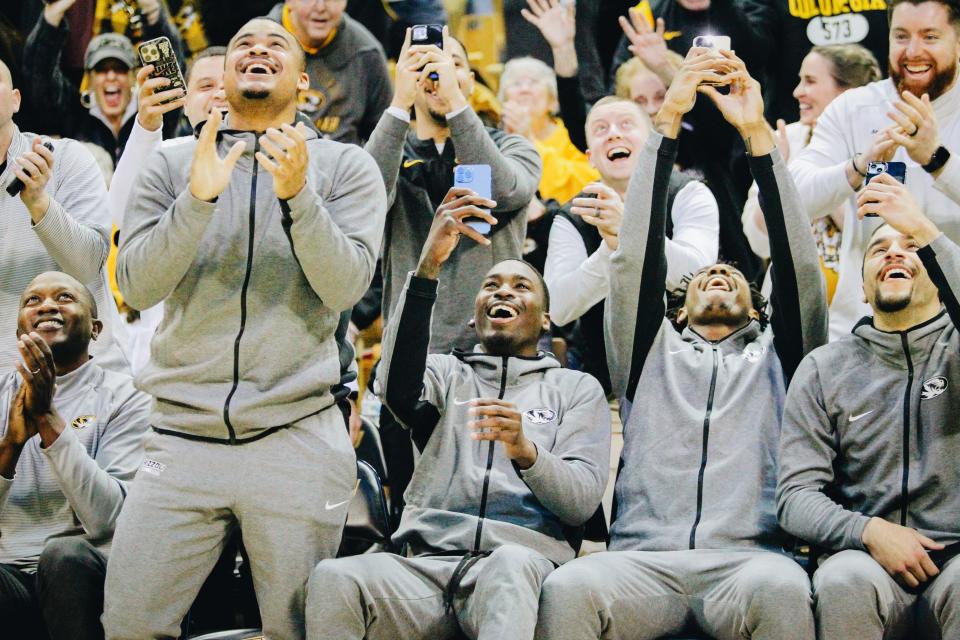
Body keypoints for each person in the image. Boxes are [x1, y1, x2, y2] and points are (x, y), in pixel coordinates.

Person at [103, 17, 387, 639]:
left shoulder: (346, 168)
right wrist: (196, 203)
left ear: (304, 80)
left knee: (301, 629)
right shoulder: (174, 165)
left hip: (295, 433)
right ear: (225, 77)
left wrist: (299, 197)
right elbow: (136, 285)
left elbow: (345, 288)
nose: (257, 50)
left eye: (274, 44)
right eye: (243, 48)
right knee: (126, 623)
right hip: (180, 436)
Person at [536, 49, 827, 640]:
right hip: (645, 559)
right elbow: (635, 257)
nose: (717, 274)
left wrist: (755, 133)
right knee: (569, 587)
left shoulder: (784, 354)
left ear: (759, 301)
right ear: (677, 300)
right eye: (702, 276)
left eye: (734, 275)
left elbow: (798, 259)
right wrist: (664, 121)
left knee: (783, 589)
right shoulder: (646, 351)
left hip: (755, 561)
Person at [305, 187, 610, 640]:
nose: (502, 290)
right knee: (336, 577)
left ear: (546, 320)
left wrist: (527, 453)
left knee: (510, 563)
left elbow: (581, 503)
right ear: (474, 319)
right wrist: (427, 267)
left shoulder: (576, 388)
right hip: (426, 565)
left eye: (521, 286)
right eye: (491, 285)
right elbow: (394, 388)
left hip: (518, 567)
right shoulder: (447, 373)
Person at [778, 175, 960, 638]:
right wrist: (869, 532)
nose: (895, 252)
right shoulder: (825, 367)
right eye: (879, 249)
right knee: (842, 579)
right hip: (865, 562)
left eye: (911, 245)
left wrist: (926, 228)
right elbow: (795, 498)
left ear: (940, 277)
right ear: (861, 288)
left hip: (958, 561)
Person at [792, 0, 960, 340]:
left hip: (954, 327)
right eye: (901, 36)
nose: (913, 51)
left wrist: (937, 160)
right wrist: (858, 166)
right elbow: (792, 200)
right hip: (863, 330)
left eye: (929, 37)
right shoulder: (853, 108)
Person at [0, 271, 150, 640]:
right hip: (12, 577)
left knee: (63, 554)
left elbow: (109, 519)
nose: (47, 304)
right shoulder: (2, 395)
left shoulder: (128, 397)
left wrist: (49, 423)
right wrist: (12, 445)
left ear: (96, 329)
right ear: (21, 331)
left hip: (91, 571)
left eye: (64, 297)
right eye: (32, 300)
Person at [544, 95, 719, 392]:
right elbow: (559, 308)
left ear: (651, 142)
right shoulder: (572, 216)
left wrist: (629, 232)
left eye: (626, 124)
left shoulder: (689, 193)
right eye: (601, 129)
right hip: (605, 382)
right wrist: (608, 251)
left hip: (691, 374)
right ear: (590, 157)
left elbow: (697, 277)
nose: (614, 133)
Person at [0, 59, 128, 374]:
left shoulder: (67, 158)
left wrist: (40, 204)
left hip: (82, 381)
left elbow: (88, 264)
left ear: (16, 99)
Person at [743, 44, 881, 303]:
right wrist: (774, 177)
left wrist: (816, 185)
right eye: (799, 81)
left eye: (810, 81)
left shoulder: (880, 145)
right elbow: (758, 242)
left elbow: (876, 235)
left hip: (859, 306)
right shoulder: (786, 139)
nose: (798, 92)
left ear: (848, 93)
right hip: (789, 306)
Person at [22, 0, 183, 165]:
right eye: (101, 70)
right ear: (90, 79)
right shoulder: (76, 116)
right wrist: (52, 16)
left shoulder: (154, 113)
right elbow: (39, 77)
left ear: (133, 75)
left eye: (120, 68)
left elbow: (172, 78)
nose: (111, 76)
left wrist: (152, 10)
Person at [268, 0, 391, 144]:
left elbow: (385, 139)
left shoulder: (366, 53)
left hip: (341, 163)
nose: (320, 7)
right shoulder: (255, 46)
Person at [499, 56, 599, 204]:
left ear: (553, 101)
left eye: (533, 82)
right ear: (504, 102)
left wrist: (529, 141)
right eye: (516, 83)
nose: (524, 89)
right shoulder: (494, 140)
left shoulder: (575, 136)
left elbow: (587, 183)